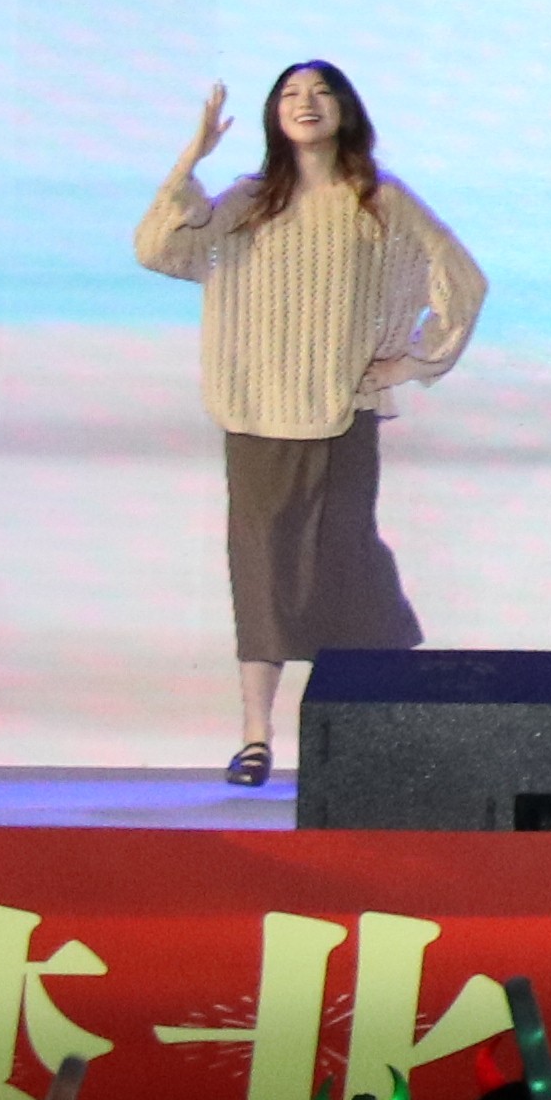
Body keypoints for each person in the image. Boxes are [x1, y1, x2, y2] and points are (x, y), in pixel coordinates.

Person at [135, 60, 488, 788]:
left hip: (340, 417)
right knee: (261, 571)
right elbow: (159, 249)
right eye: (291, 94)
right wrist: (191, 159)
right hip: (255, 414)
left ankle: (363, 731)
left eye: (321, 91)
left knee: (348, 568)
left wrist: (414, 360)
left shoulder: (380, 199)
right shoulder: (247, 199)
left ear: (345, 109)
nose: (306, 103)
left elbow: (461, 278)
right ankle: (255, 736)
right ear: (273, 115)